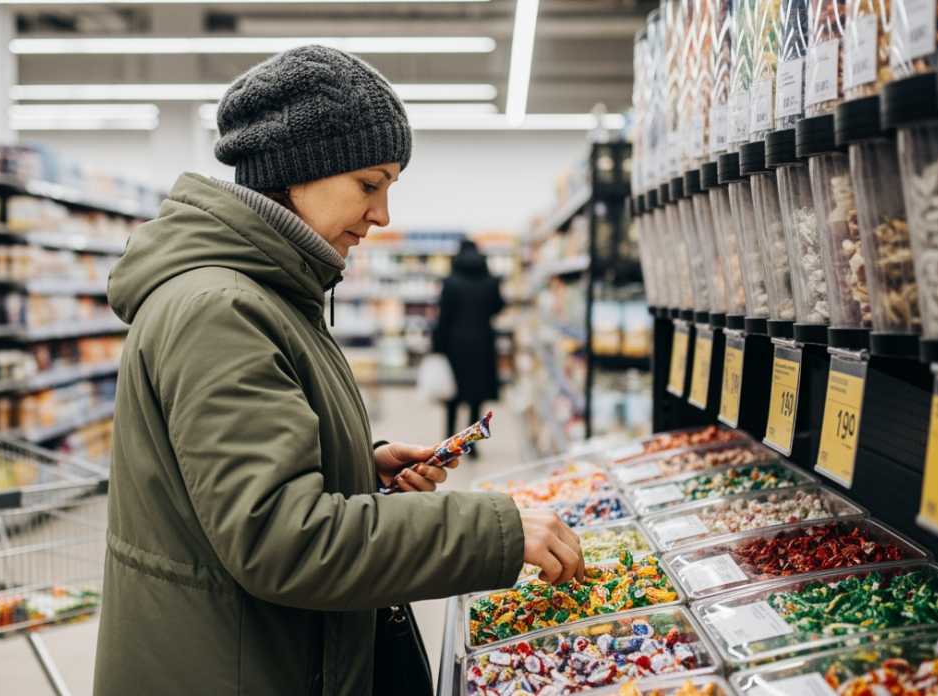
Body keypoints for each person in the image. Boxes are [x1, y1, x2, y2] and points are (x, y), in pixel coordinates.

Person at [96, 45, 583, 695]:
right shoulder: (219, 309)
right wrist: (494, 528)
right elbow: (281, 538)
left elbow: (240, 481)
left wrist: (356, 463)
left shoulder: (269, 291)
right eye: (369, 184)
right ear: (296, 170)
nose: (382, 215)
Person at [432, 239, 507, 444]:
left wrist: (436, 346)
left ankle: (449, 440)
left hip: (455, 342)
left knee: (452, 395)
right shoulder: (491, 281)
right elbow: (498, 307)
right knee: (476, 396)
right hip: (482, 341)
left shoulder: (451, 281)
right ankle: (472, 444)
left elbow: (443, 316)